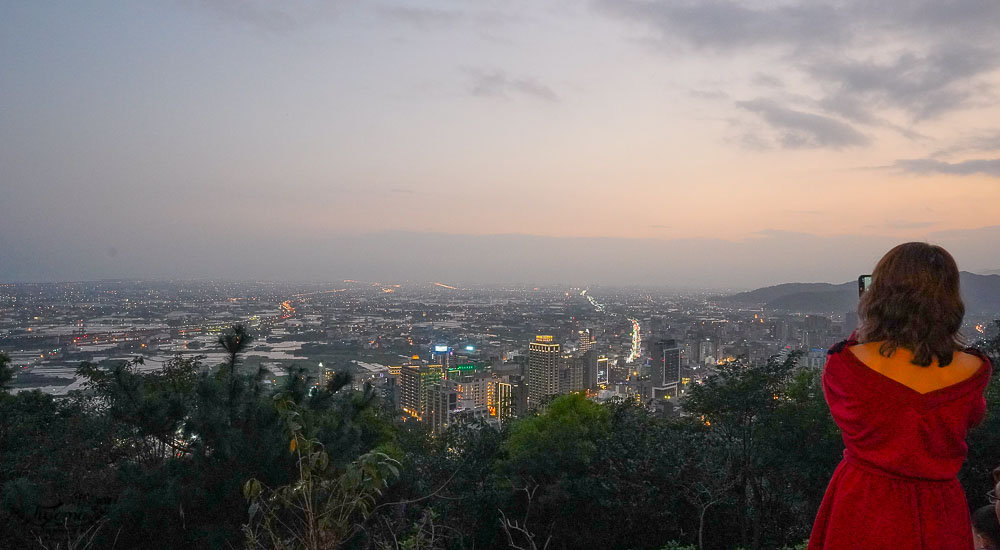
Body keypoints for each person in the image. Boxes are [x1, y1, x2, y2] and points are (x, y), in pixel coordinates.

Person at [808, 242, 992, 549]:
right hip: (939, 507)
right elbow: (970, 417)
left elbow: (848, 412)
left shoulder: (846, 363)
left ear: (878, 296)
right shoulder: (974, 369)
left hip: (863, 501)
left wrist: (866, 334)